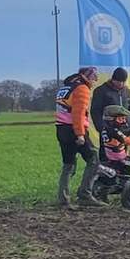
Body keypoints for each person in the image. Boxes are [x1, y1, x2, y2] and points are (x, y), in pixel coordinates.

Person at [54, 67, 99, 207]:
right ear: (86, 76)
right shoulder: (82, 89)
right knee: (93, 159)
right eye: (94, 76)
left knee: (68, 164)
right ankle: (85, 194)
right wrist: (80, 134)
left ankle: (63, 199)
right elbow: (78, 113)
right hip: (74, 129)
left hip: (61, 128)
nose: (95, 80)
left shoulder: (65, 88)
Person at [90, 68, 130, 144]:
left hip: (126, 132)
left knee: (126, 152)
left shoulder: (128, 92)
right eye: (118, 81)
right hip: (109, 132)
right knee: (108, 151)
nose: (121, 83)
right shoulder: (101, 91)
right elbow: (95, 112)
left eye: (123, 81)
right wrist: (102, 129)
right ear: (113, 79)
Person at [99, 104, 130, 170]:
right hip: (118, 159)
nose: (124, 121)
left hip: (112, 156)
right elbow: (126, 140)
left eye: (124, 119)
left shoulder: (105, 129)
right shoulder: (114, 131)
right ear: (111, 119)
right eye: (121, 119)